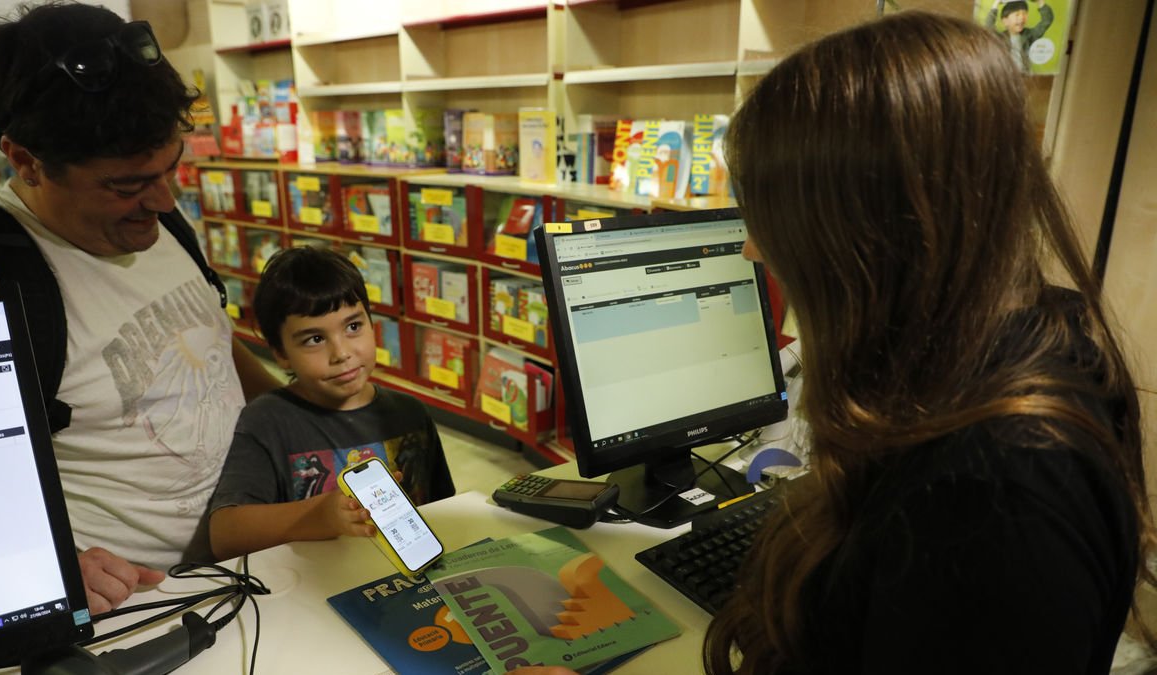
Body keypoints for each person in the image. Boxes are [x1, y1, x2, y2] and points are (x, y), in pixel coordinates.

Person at [513, 10, 1153, 675]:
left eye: (771, 220)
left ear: (865, 237)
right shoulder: (1039, 351)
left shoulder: (992, 494)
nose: (753, 248)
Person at [0, 2, 280, 614]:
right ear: (25, 160)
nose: (163, 200)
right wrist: (49, 569)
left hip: (255, 568)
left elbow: (208, 340)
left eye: (171, 168)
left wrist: (310, 418)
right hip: (141, 614)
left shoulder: (159, 220)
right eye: (126, 186)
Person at [206, 246, 455, 560]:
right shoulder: (267, 421)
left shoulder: (409, 414)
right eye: (315, 339)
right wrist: (320, 516)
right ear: (281, 353)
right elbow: (224, 533)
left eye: (353, 327)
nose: (341, 353)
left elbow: (445, 511)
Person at [984, 0, 1054, 72]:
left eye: (1024, 14)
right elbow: (988, 28)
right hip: (1006, 75)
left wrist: (1040, 2)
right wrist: (996, 4)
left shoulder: (1029, 35)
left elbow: (1047, 20)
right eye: (1017, 15)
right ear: (1005, 21)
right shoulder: (1001, 38)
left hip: (1024, 75)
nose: (1021, 18)